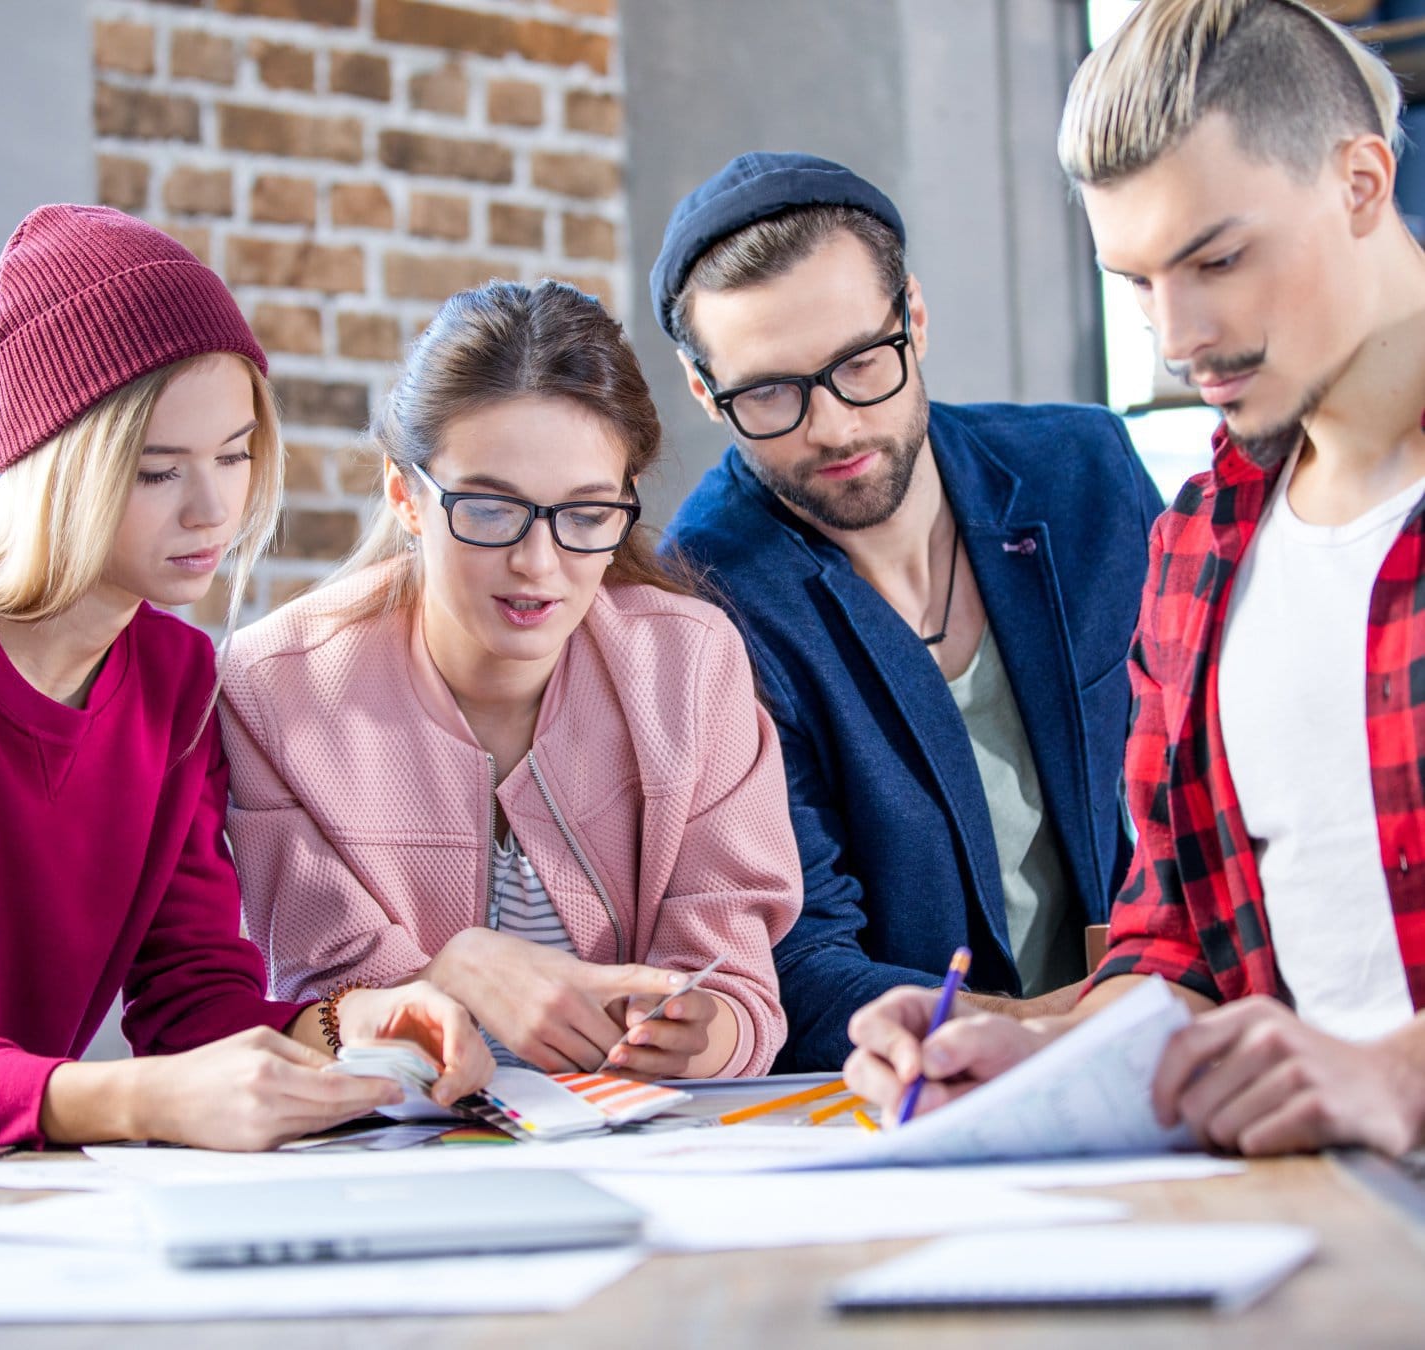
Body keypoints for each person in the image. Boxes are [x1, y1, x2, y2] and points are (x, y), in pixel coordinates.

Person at [846, 0, 1425, 1157]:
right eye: (1138, 281)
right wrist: (1033, 1049)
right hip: (1318, 1229)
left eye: (1218, 258)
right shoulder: (1198, 545)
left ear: (1361, 183)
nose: (1180, 334)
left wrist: (1397, 1077)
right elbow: (1178, 948)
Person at [655, 152, 1165, 1069]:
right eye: (769, 393)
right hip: (907, 1090)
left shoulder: (1086, 473)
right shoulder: (703, 599)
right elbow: (795, 958)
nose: (835, 428)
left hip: (1170, 1036)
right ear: (705, 393)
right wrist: (1043, 1030)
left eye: (859, 364)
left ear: (914, 320)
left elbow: (1212, 782)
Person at [219, 279, 801, 1080]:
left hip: (647, 1152)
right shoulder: (276, 689)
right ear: (405, 496)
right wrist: (450, 972)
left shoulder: (691, 667)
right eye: (490, 510)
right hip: (386, 1157)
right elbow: (314, 1009)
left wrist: (710, 1033)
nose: (538, 564)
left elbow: (740, 989)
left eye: (587, 515)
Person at [0, 205, 488, 1152]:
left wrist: (351, 1029)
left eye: (233, 455)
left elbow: (189, 998)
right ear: (51, 470)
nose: (214, 508)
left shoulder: (177, 682)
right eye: (155, 472)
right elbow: (160, 1080)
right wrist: (128, 1101)